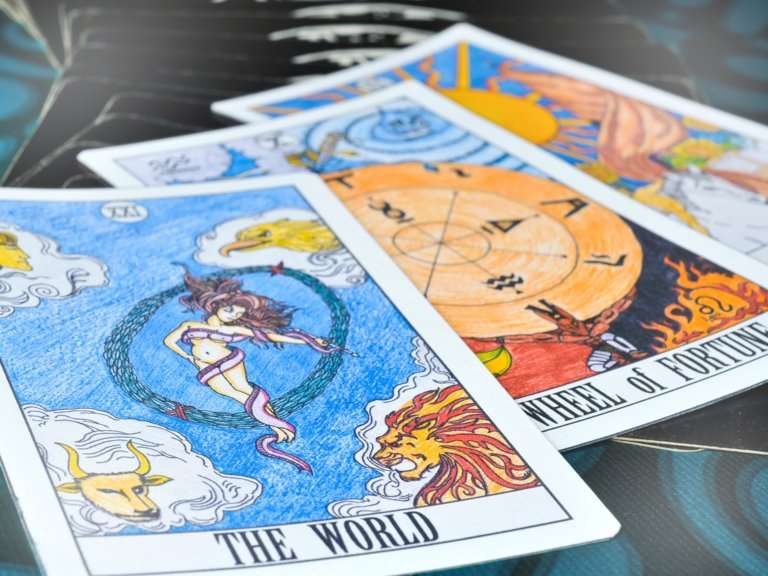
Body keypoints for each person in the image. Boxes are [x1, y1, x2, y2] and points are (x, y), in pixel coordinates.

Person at [164, 269, 341, 472]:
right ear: (217, 304)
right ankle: (278, 424)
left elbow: (272, 336)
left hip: (229, 360)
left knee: (246, 391)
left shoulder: (234, 330)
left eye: (238, 314)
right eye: (231, 309)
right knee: (236, 395)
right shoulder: (190, 324)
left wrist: (309, 340)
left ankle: (277, 428)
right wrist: (187, 357)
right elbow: (169, 341)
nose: (233, 315)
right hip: (205, 366)